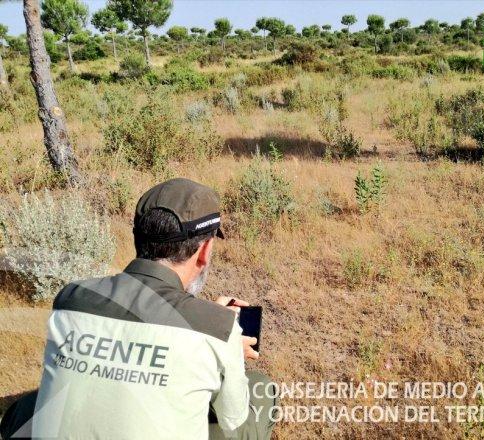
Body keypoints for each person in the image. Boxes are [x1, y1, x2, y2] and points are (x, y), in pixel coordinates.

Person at [0, 178, 278, 440]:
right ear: (204, 250)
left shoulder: (71, 297)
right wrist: (228, 350)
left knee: (26, 407)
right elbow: (234, 418)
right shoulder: (217, 328)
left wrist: (211, 321)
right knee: (261, 388)